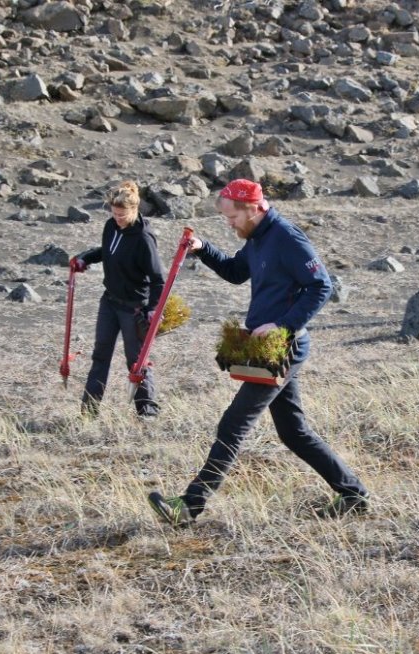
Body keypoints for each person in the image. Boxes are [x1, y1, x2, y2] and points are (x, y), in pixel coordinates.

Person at [148, 178, 369, 527]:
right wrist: (203, 248)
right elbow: (236, 272)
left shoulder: (287, 238)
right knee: (293, 431)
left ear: (253, 208)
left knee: (233, 424)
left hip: (283, 347)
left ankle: (190, 505)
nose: (229, 224)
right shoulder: (257, 238)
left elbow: (321, 286)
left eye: (232, 217)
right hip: (266, 346)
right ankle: (353, 494)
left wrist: (283, 325)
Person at [71, 181, 165, 419]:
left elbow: (158, 279)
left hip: (134, 308)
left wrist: (153, 309)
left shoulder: (144, 238)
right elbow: (107, 251)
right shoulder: (111, 226)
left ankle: (147, 412)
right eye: (114, 214)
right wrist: (84, 259)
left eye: (122, 215)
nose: (118, 219)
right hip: (110, 302)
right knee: (100, 356)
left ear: (134, 210)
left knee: (136, 361)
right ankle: (88, 413)